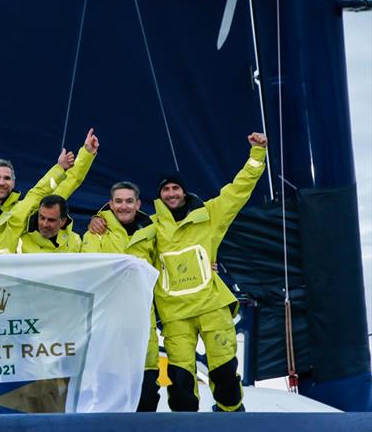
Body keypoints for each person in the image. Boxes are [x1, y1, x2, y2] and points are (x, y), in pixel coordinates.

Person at [152, 132, 268, 412]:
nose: (171, 194)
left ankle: (231, 417)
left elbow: (238, 190)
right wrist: (99, 219)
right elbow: (124, 242)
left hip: (211, 307)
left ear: (183, 191)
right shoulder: (151, 227)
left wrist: (257, 155)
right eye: (165, 190)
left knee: (224, 374)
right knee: (179, 384)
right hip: (175, 315)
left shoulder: (209, 215)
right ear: (159, 195)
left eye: (175, 188)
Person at [81, 181, 160, 411]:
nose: (123, 206)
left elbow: (167, 263)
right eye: (118, 201)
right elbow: (88, 271)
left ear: (138, 204)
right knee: (110, 388)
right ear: (111, 204)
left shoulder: (153, 232)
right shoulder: (96, 232)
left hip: (142, 319)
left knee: (147, 388)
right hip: (109, 321)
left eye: (128, 201)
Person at [0, 128, 98, 213]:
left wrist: (86, 153)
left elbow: (66, 184)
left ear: (13, 182)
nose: (1, 183)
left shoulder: (24, 211)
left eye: (7, 178)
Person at [16, 195, 81, 253]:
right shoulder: (19, 237)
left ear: (63, 221)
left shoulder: (75, 241)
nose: (45, 224)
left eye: (51, 220)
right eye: (42, 218)